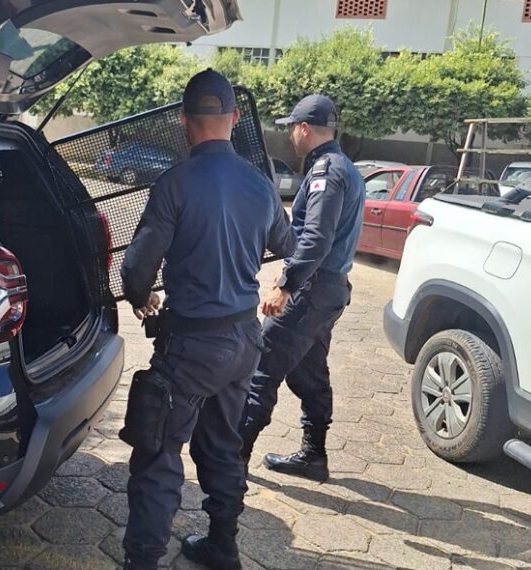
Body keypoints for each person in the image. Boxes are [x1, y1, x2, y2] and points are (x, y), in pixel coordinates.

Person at [119, 69, 296, 570]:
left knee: (157, 453)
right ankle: (223, 546)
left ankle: (142, 562)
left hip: (192, 346)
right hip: (244, 339)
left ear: (183, 122)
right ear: (235, 119)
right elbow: (286, 245)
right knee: (221, 446)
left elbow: (137, 269)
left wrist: (140, 296)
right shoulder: (261, 185)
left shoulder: (174, 183)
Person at [239, 94, 365, 482]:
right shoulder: (344, 167)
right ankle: (313, 456)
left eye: (292, 127)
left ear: (305, 129)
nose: (290, 134)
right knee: (309, 372)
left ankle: (230, 465)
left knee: (262, 367)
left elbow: (316, 238)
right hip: (328, 290)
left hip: (311, 288)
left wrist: (286, 285)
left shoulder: (328, 172)